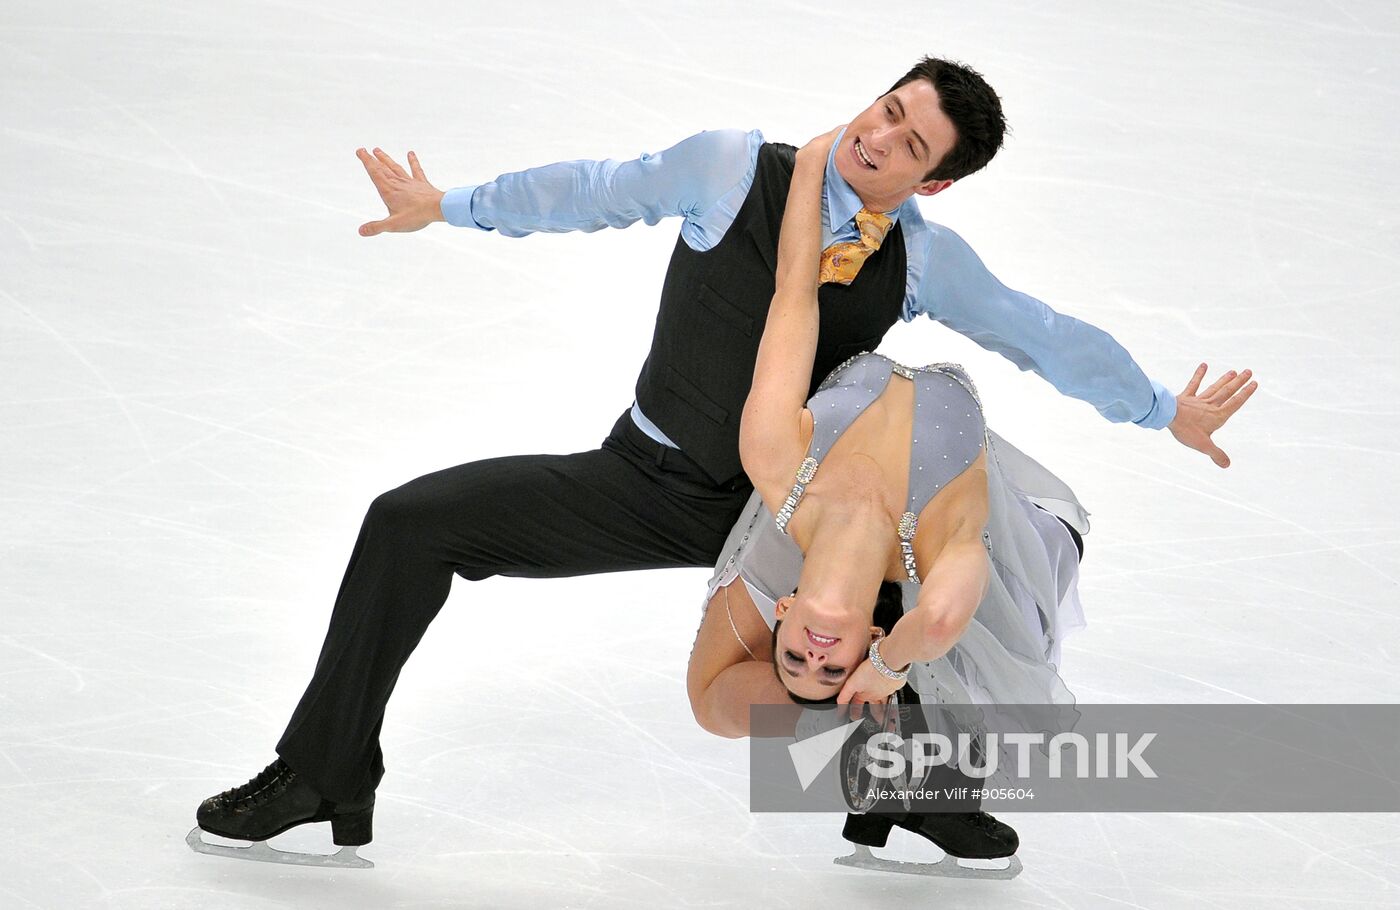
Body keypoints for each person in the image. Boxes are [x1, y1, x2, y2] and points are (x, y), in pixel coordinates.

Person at [190, 57, 1256, 867]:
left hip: (780, 513)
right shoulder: (731, 167)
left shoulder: (920, 257)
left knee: (884, 614)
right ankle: (328, 764)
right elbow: (590, 189)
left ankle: (902, 779)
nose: (882, 140)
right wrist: (451, 205)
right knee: (407, 521)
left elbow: (1038, 330)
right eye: (889, 109)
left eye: (913, 146)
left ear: (935, 180)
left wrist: (1161, 408)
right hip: (643, 483)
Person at [685, 129, 1097, 877]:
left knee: (709, 699)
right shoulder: (941, 537)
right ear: (862, 639)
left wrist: (810, 170)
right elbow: (938, 618)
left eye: (795, 660)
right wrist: (886, 665)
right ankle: (895, 765)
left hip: (808, 522)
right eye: (828, 667)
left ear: (785, 612)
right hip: (939, 535)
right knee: (1006, 595)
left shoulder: (776, 463)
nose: (813, 656)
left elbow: (793, 297)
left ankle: (887, 769)